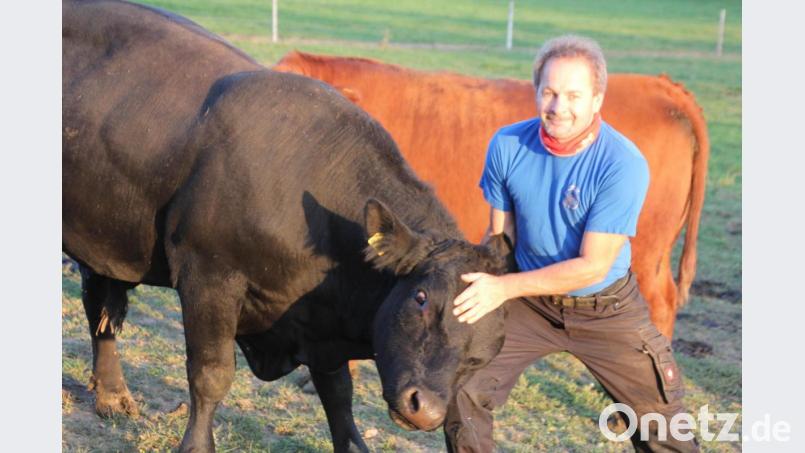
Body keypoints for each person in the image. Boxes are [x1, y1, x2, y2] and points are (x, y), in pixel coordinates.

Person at [444, 35, 700, 452]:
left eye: (574, 95)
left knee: (664, 428)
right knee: (463, 385)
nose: (558, 107)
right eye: (549, 92)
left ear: (597, 99)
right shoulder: (507, 145)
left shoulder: (622, 163)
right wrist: (471, 285)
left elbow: (592, 267)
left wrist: (503, 288)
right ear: (536, 92)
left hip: (605, 307)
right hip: (529, 302)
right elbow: (500, 238)